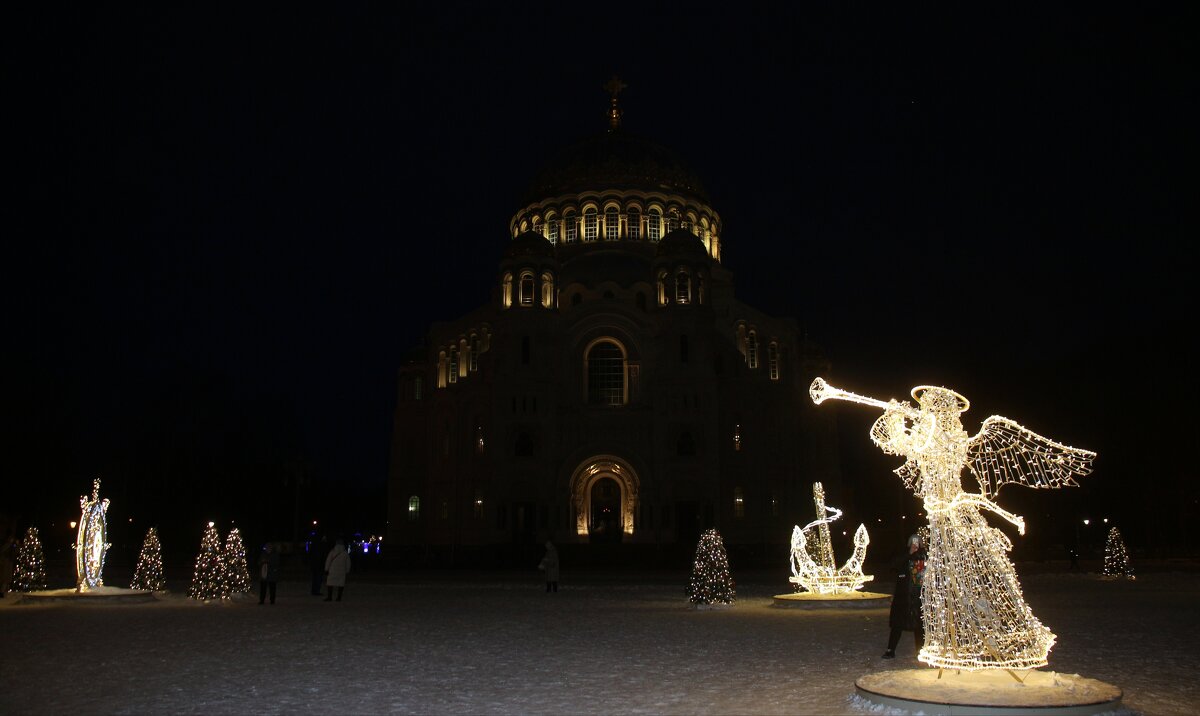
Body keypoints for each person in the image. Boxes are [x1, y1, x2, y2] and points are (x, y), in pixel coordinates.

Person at [883, 533, 926, 658]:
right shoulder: (904, 556)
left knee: (919, 625)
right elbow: (893, 565)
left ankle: (920, 650)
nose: (915, 544)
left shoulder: (925, 556)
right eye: (913, 542)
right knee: (897, 624)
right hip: (903, 596)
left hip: (918, 597)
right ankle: (891, 650)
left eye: (918, 542)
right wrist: (909, 554)